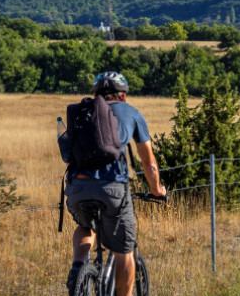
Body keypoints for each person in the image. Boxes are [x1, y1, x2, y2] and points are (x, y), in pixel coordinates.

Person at [64, 71, 166, 296]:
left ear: (96, 93)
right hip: (112, 189)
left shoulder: (84, 113)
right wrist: (156, 189)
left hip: (77, 187)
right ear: (123, 96)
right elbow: (148, 162)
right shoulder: (131, 113)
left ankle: (78, 266)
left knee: (85, 226)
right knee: (124, 250)